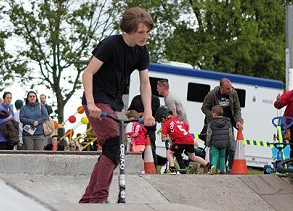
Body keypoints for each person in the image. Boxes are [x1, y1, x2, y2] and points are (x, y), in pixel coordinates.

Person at [78, 7, 157, 203]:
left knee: (111, 149)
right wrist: (91, 104)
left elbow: (145, 83)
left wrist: (148, 112)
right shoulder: (110, 45)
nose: (145, 36)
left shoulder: (141, 51)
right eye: (140, 32)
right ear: (128, 30)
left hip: (114, 103)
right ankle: (99, 198)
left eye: (147, 32)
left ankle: (88, 199)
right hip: (97, 99)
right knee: (115, 144)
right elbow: (87, 73)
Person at [201, 78, 244, 172]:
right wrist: (213, 115)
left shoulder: (233, 93)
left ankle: (229, 168)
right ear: (221, 88)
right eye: (228, 89)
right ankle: (213, 168)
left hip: (227, 123)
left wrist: (238, 121)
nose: (230, 90)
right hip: (215, 124)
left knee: (231, 147)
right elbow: (204, 108)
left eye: (231, 87)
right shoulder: (212, 94)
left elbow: (237, 108)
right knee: (214, 148)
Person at [157, 106, 211, 174]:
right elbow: (186, 127)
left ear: (163, 118)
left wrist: (165, 137)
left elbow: (163, 137)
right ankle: (210, 166)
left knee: (169, 153)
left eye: (161, 121)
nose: (161, 123)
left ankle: (172, 169)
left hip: (180, 141)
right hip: (190, 139)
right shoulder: (178, 121)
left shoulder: (166, 124)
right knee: (193, 157)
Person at [127, 94, 160, 165]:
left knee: (151, 149)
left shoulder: (155, 99)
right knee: (135, 149)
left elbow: (154, 113)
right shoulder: (136, 98)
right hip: (136, 128)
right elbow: (130, 111)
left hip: (149, 129)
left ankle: (152, 167)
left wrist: (138, 115)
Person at [206, 106, 233, 174]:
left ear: (214, 114)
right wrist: (229, 143)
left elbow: (209, 134)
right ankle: (222, 170)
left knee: (215, 156)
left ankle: (213, 169)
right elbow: (230, 133)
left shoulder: (211, 122)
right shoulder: (227, 122)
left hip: (214, 143)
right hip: (224, 143)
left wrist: (208, 143)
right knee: (222, 156)